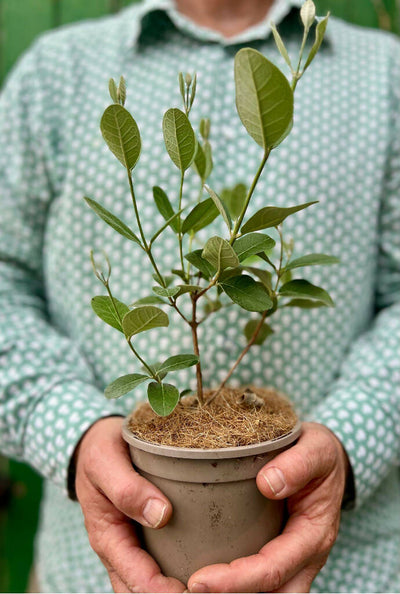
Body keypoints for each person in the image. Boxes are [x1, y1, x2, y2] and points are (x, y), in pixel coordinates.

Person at [0, 0, 399, 591]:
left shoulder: (385, 76)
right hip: (88, 575)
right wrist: (72, 430)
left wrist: (352, 436)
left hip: (353, 572)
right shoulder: (57, 71)